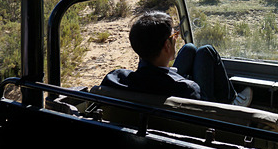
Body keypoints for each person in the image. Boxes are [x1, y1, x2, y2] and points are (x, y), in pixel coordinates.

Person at [101, 10, 252, 106]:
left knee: (189, 48)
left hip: (150, 88)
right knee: (206, 51)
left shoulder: (115, 78)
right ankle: (232, 101)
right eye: (174, 36)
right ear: (167, 45)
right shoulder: (189, 90)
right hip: (196, 106)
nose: (176, 39)